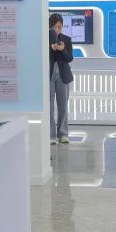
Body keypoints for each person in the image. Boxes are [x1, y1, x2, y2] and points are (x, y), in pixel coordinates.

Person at [49, 13, 74, 145]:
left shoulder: (66, 39)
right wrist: (51, 48)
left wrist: (62, 49)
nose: (57, 29)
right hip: (48, 74)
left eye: (59, 26)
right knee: (49, 106)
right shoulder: (45, 39)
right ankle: (50, 135)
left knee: (63, 106)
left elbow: (69, 58)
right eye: (54, 27)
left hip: (63, 75)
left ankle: (63, 134)